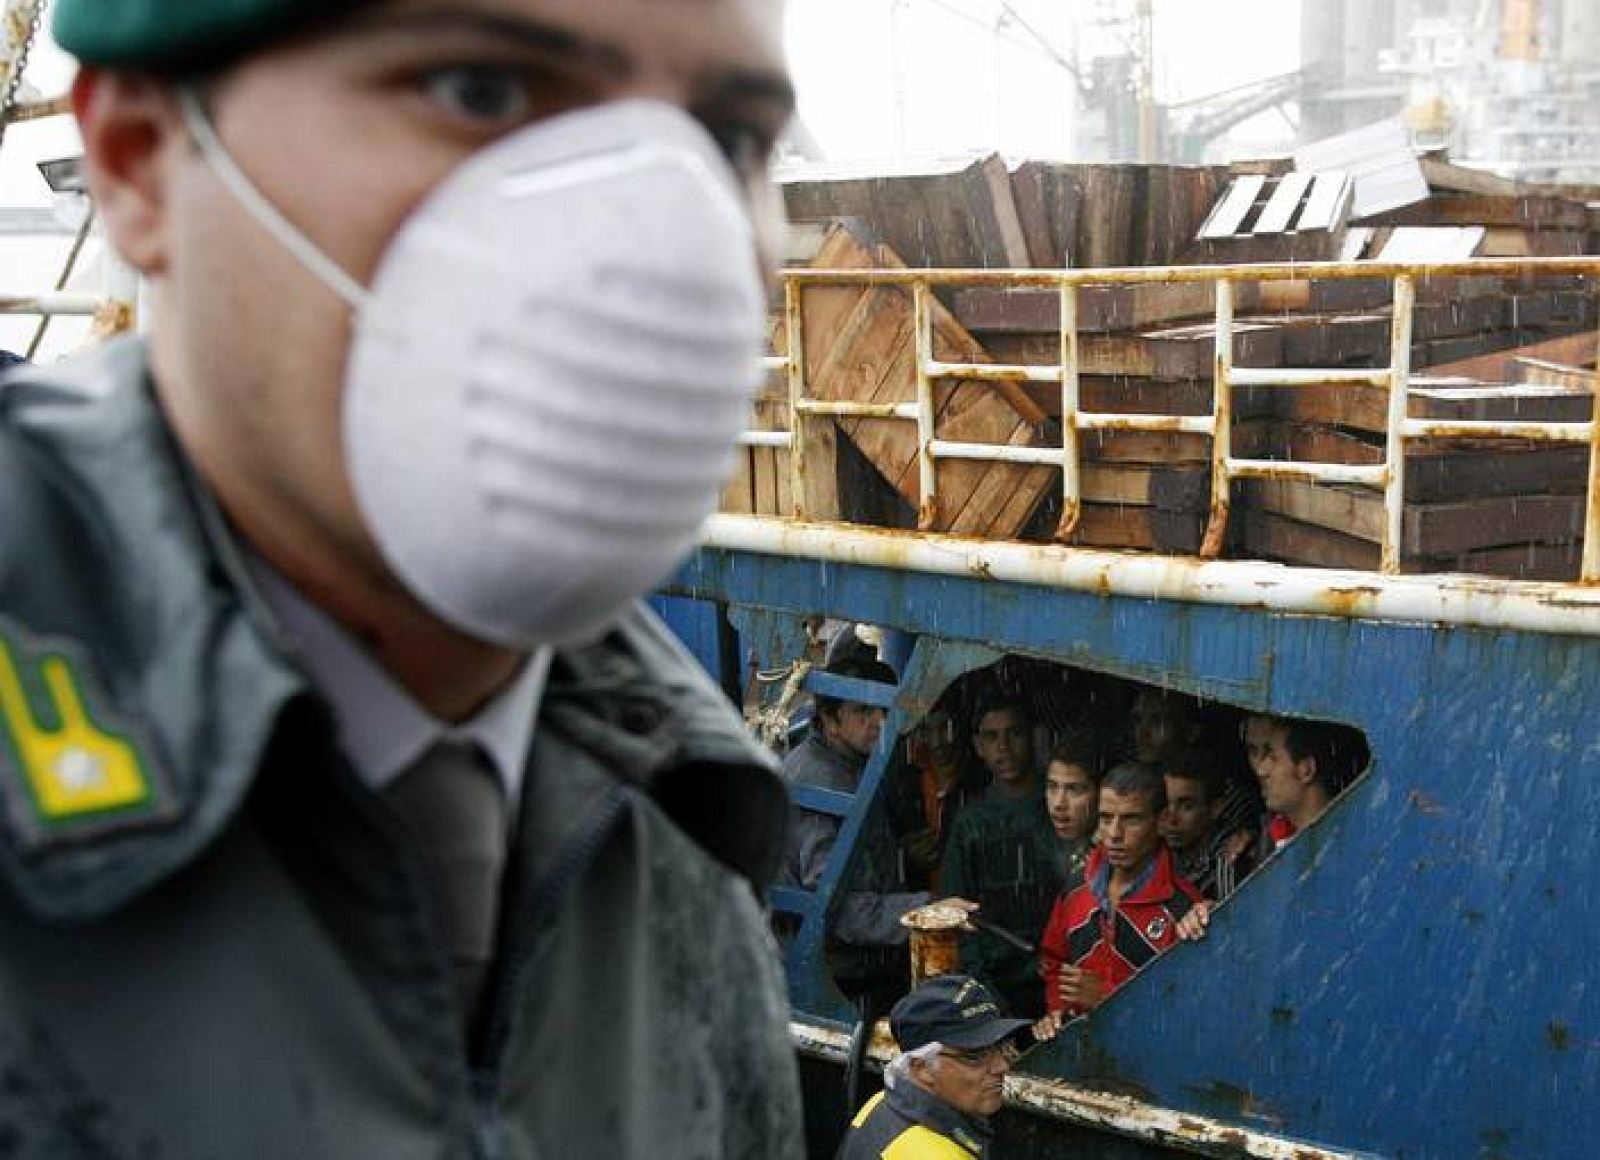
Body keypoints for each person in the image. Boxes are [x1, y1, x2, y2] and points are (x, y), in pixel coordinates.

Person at [0, 2, 803, 1155]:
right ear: (139, 159)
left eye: (728, 140)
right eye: (482, 90)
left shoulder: (687, 858)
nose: (657, 236)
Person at [781, 654, 929, 997]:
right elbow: (835, 907)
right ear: (830, 721)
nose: (879, 721)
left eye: (883, 710)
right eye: (863, 711)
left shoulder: (852, 761)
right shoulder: (819, 780)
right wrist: (923, 910)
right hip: (833, 974)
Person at [1039, 762, 1204, 1023]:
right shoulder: (1077, 887)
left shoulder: (1185, 910)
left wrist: (1107, 998)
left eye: (1131, 819)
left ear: (1161, 821)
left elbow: (1189, 1008)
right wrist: (1058, 1014)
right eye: (1106, 818)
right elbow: (1053, 963)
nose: (1115, 834)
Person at [941, 699, 1059, 1018]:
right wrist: (986, 994)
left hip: (1057, 978)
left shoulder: (1059, 808)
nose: (1003, 747)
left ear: (1032, 737)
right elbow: (956, 913)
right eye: (992, 737)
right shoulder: (971, 822)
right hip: (995, 981)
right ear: (978, 746)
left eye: (1013, 734)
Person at [836, 974, 1030, 1160]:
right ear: (922, 1068)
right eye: (975, 1056)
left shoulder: (883, 1101)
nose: (1002, 1066)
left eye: (1001, 1047)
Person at [886, 702, 985, 891]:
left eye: (945, 728)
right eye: (926, 730)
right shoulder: (904, 782)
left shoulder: (982, 780)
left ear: (960, 727)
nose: (937, 741)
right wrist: (906, 854)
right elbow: (887, 847)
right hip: (919, 903)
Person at [1161, 747, 1254, 901]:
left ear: (1215, 808)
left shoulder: (1230, 863)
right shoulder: (1155, 853)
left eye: (1187, 806)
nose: (1171, 819)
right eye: (1165, 804)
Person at [1044, 735, 1100, 887]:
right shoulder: (1039, 843)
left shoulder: (1118, 856)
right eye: (1052, 787)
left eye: (1074, 789)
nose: (1058, 803)